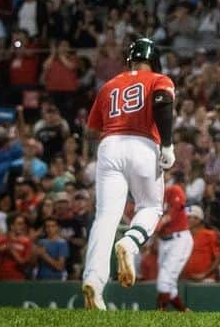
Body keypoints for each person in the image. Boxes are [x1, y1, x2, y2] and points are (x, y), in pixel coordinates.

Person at [81, 37, 177, 310]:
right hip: (144, 144)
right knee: (151, 207)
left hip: (109, 146)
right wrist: (168, 144)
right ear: (154, 60)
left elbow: (90, 132)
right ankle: (130, 242)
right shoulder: (159, 79)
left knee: (105, 217)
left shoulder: (109, 85)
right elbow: (162, 102)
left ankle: (94, 283)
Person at [155, 177, 192, 312]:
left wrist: (157, 225)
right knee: (169, 284)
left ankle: (159, 315)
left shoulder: (173, 190)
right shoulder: (149, 198)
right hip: (164, 241)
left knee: (164, 279)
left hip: (179, 239)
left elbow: (173, 212)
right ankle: (184, 312)